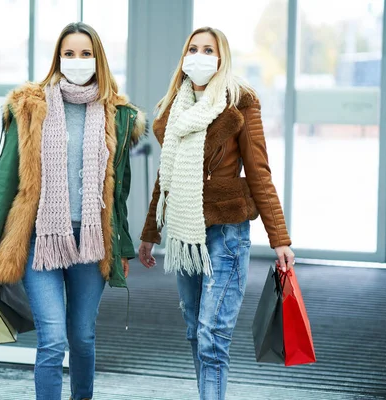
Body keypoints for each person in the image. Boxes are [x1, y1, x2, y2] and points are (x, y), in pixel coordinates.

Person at [0, 22, 146, 400]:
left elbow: (120, 191)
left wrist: (124, 247)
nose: (77, 61)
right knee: (52, 340)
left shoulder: (117, 114)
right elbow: (5, 181)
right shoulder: (32, 106)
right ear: (58, 57)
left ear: (98, 60)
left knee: (82, 337)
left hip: (93, 242)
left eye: (85, 54)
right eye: (69, 53)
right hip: (41, 240)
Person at [138, 27, 294, 400]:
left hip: (226, 232)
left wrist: (280, 238)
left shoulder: (240, 100)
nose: (200, 55)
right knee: (195, 330)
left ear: (222, 57)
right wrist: (149, 233)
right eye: (193, 48)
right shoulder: (176, 104)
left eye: (209, 49)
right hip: (184, 231)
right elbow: (168, 173)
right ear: (184, 56)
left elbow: (259, 171)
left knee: (212, 334)